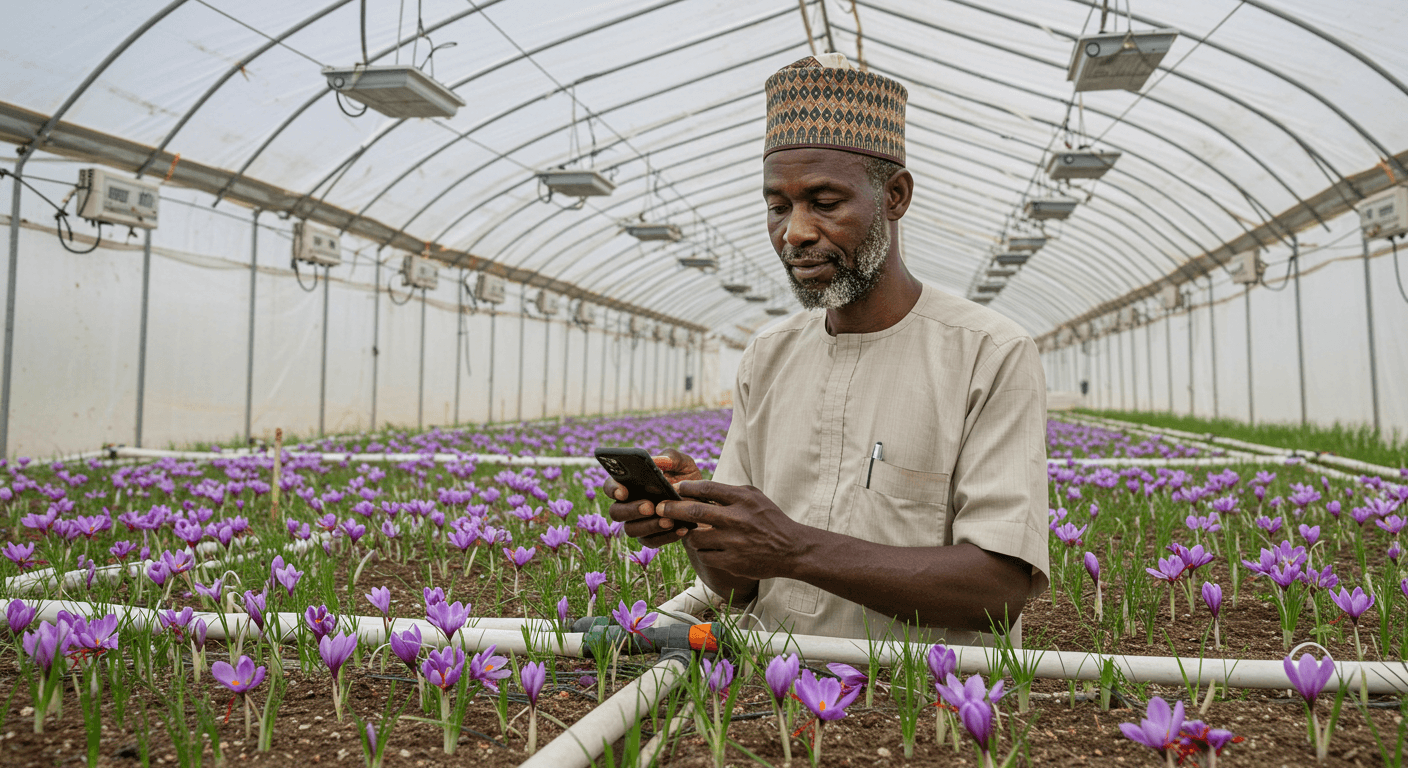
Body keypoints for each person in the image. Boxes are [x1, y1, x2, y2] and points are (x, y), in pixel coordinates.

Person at [607, 54, 1049, 645]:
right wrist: (697, 524)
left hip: (923, 693)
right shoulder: (768, 355)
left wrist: (794, 548)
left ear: (894, 196)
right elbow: (738, 586)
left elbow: (997, 589)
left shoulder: (988, 354)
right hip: (772, 686)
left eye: (825, 201)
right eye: (778, 207)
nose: (795, 232)